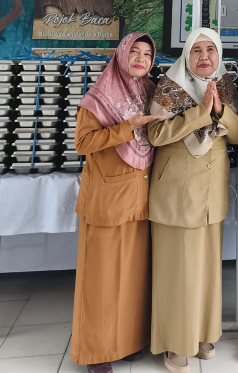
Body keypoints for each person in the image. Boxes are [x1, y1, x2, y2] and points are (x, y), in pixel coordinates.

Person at [148, 28, 238, 373]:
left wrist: (220, 109)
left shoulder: (226, 86)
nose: (204, 57)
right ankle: (176, 342)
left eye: (211, 50)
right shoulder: (169, 86)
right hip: (176, 190)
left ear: (219, 54)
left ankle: (204, 334)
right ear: (186, 54)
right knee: (177, 271)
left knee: (206, 270)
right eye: (197, 50)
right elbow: (155, 133)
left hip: (211, 191)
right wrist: (201, 113)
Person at [71, 33, 163, 373]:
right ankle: (96, 352)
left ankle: (126, 342)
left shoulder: (150, 91)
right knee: (102, 281)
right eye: (134, 51)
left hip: (140, 198)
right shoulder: (99, 96)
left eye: (147, 54)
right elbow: (83, 142)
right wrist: (126, 127)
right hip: (107, 201)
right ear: (121, 54)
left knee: (132, 278)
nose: (140, 58)